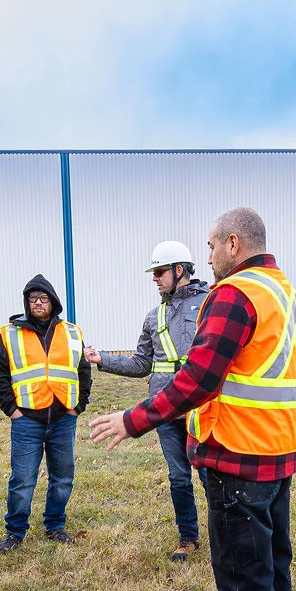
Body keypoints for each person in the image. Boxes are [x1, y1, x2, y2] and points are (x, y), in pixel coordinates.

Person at [88, 207, 296, 591]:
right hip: (275, 452)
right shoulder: (285, 292)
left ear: (234, 243)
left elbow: (199, 379)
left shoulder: (234, 294)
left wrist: (133, 419)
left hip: (236, 456)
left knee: (242, 573)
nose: (207, 258)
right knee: (272, 566)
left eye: (211, 247)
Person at [85, 240, 210, 560]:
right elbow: (142, 365)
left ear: (178, 270)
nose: (154, 278)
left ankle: (226, 536)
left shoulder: (211, 304)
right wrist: (103, 359)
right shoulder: (153, 317)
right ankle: (188, 538)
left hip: (203, 408)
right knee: (178, 477)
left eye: (159, 272)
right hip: (165, 412)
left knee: (212, 475)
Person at [0, 274, 91, 550]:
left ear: (53, 302)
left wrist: (78, 407)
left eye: (43, 298)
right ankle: (15, 531)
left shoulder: (71, 331)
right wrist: (11, 410)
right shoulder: (10, 333)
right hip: (26, 420)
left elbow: (83, 371)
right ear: (26, 302)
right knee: (22, 480)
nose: (38, 302)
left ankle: (55, 525)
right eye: (33, 298)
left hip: (62, 420)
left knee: (63, 478)